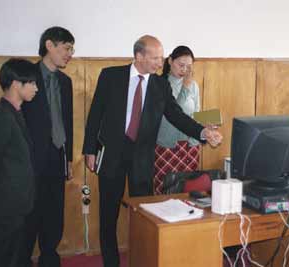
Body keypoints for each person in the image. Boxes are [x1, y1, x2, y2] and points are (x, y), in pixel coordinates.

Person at [82, 35, 222, 267]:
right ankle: (111, 263)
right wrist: (89, 150)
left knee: (143, 215)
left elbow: (177, 115)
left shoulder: (159, 85)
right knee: (108, 214)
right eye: (156, 57)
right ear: (139, 56)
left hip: (143, 158)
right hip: (112, 154)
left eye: (161, 56)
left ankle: (141, 260)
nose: (161, 62)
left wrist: (202, 132)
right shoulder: (110, 76)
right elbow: (95, 113)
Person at [21, 26, 75, 267]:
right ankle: (22, 259)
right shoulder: (26, 75)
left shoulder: (65, 81)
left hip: (57, 155)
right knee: (30, 213)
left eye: (72, 49)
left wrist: (69, 158)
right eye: (66, 48)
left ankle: (49, 257)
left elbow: (68, 122)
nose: (69, 54)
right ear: (49, 45)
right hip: (31, 158)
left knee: (55, 213)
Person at [0, 58, 38, 267]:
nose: (36, 88)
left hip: (18, 202)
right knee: (2, 258)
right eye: (31, 83)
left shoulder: (15, 113)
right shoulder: (1, 117)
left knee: (15, 257)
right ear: (15, 84)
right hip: (6, 203)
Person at [154, 45, 201, 194]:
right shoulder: (160, 83)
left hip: (190, 146)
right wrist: (185, 87)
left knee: (188, 192)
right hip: (167, 145)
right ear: (170, 61)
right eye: (181, 65)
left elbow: (196, 114)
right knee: (165, 192)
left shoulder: (193, 85)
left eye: (189, 67)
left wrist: (206, 126)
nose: (185, 70)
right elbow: (175, 113)